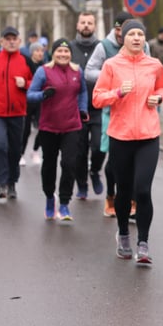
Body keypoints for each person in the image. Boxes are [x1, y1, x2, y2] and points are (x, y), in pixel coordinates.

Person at [92, 19, 163, 264]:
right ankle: (124, 234)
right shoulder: (111, 65)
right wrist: (117, 93)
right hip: (120, 136)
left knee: (143, 190)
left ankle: (143, 243)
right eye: (131, 34)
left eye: (140, 34)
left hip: (148, 135)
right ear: (122, 37)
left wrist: (157, 97)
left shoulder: (154, 64)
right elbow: (97, 98)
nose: (136, 38)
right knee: (124, 192)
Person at [28, 38, 88, 221]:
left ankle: (64, 203)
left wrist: (83, 108)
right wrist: (43, 95)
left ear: (70, 54)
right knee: (49, 165)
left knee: (69, 164)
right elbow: (30, 95)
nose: (63, 54)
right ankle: (49, 197)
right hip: (49, 126)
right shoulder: (43, 71)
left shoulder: (77, 71)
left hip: (71, 125)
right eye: (59, 51)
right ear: (53, 53)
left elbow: (83, 91)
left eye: (66, 51)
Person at [0, 26, 36, 199]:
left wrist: (25, 84)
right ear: (1, 41)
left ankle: (11, 183)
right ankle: (0, 183)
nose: (11, 42)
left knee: (15, 149)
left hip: (18, 113)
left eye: (14, 39)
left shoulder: (26, 61)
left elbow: (39, 82)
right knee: (1, 145)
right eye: (7, 39)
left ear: (19, 41)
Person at [85, 11, 135, 216]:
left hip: (134, 109)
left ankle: (131, 199)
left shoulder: (143, 45)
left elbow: (150, 71)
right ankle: (111, 196)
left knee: (132, 159)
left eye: (124, 30)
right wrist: (112, 77)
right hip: (110, 109)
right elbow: (89, 72)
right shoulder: (103, 47)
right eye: (117, 30)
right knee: (113, 157)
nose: (120, 34)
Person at [68, 11, 105, 201]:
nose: (86, 26)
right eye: (83, 22)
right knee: (79, 151)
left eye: (89, 23)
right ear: (77, 25)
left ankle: (95, 171)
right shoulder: (69, 48)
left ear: (95, 26)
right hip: (76, 109)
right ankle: (81, 184)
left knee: (99, 147)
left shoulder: (102, 48)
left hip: (99, 106)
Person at [20, 42, 46, 166]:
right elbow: (23, 82)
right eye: (37, 51)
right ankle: (21, 154)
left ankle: (35, 150)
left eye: (42, 51)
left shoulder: (45, 66)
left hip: (41, 101)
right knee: (25, 130)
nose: (40, 53)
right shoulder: (25, 65)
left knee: (43, 127)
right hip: (27, 101)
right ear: (32, 52)